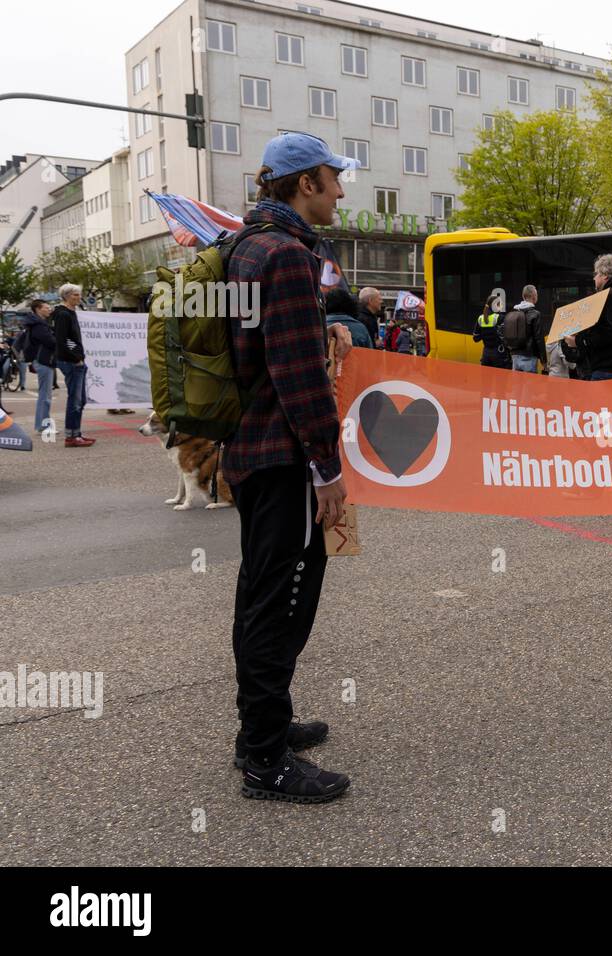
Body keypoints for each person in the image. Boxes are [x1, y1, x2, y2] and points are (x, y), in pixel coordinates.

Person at [223, 131, 359, 803]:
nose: (341, 190)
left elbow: (263, 347)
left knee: (262, 593)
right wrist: (328, 469)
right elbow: (297, 377)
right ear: (305, 183)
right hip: (282, 457)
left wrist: (323, 328)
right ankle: (265, 760)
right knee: (280, 602)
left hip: (250, 449)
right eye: (334, 178)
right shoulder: (286, 256)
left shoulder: (246, 246)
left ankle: (261, 728)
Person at [51, 284, 93, 448]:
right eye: (75, 295)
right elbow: (61, 341)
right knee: (75, 401)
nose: (78, 297)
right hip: (71, 362)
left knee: (80, 400)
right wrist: (76, 358)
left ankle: (76, 433)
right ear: (67, 296)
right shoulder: (62, 314)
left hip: (75, 361)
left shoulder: (71, 313)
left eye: (79, 294)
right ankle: (71, 436)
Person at [21, 300, 57, 434]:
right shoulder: (39, 325)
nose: (49, 309)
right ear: (38, 309)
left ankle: (42, 425)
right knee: (45, 396)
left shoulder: (37, 323)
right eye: (47, 307)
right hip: (43, 361)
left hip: (41, 360)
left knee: (45, 394)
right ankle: (43, 426)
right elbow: (50, 341)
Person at [507, 284, 545, 373]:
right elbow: (538, 338)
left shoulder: (513, 312)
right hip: (529, 356)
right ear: (533, 296)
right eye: (536, 295)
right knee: (529, 385)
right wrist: (544, 360)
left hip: (514, 356)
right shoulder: (535, 314)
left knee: (516, 386)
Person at [473, 296, 512, 369]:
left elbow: (476, 338)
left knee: (486, 379)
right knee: (501, 378)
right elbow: (507, 337)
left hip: (486, 355)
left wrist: (485, 332)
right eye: (500, 304)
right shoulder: (500, 318)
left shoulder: (481, 318)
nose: (502, 306)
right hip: (499, 354)